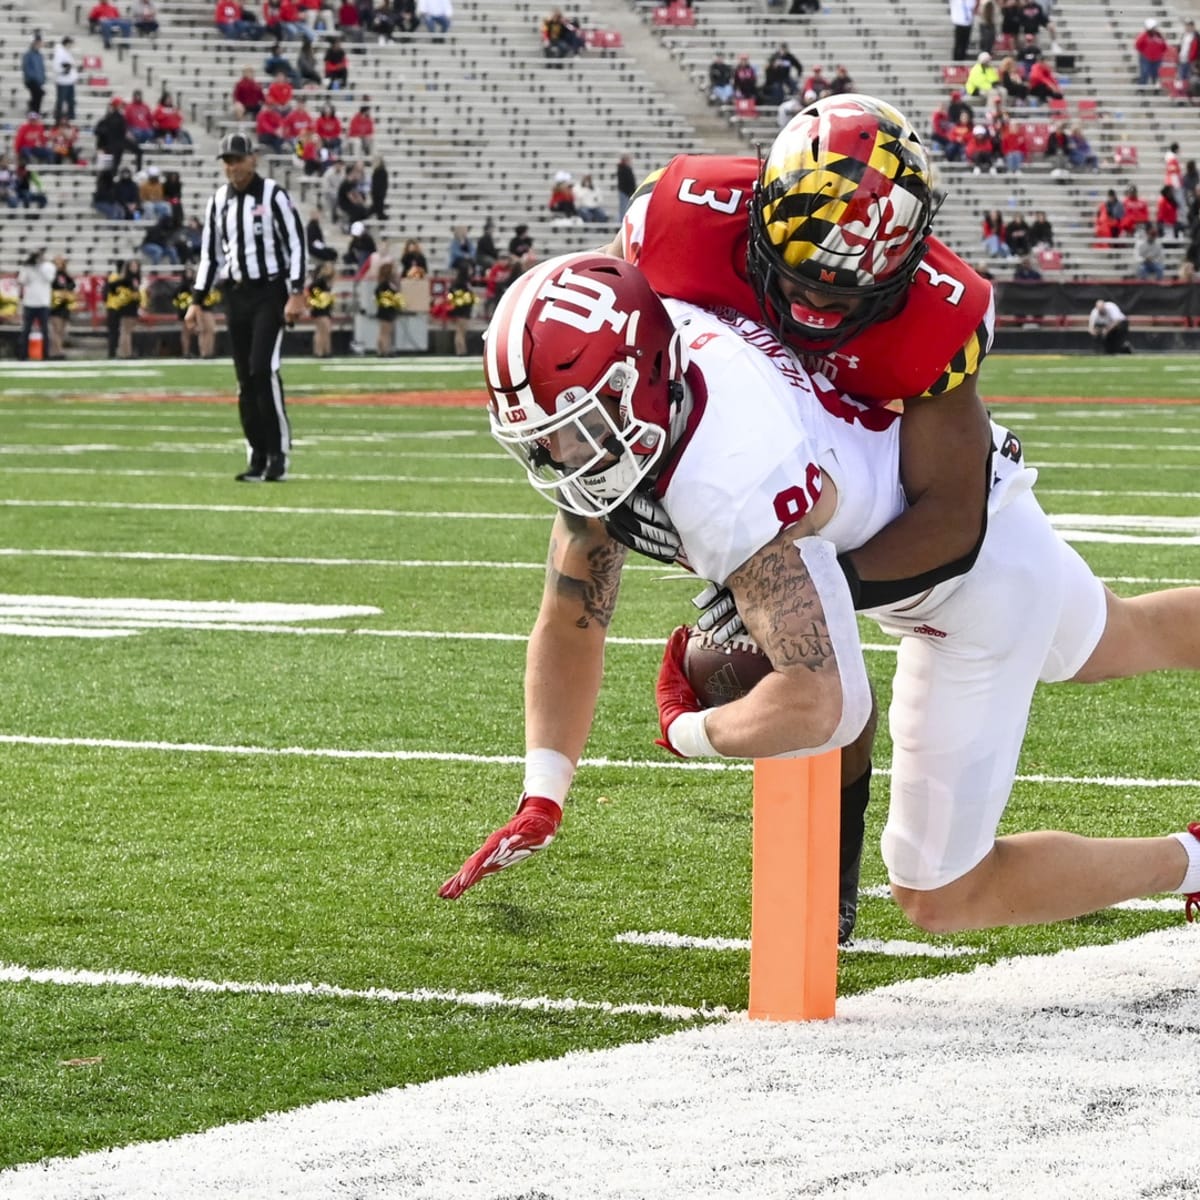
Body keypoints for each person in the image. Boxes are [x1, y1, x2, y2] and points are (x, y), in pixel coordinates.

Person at [439, 251, 1200, 942]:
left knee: (942, 892)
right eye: (541, 438)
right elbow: (572, 616)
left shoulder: (726, 480)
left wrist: (688, 731)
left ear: (636, 384)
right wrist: (544, 792)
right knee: (1124, 636)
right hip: (987, 512)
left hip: (967, 587)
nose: (556, 456)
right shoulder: (662, 340)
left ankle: (1189, 862)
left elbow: (824, 703)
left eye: (575, 432)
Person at [594, 94, 998, 941]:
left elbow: (955, 519)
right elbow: (606, 335)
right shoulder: (683, 216)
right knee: (755, 656)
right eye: (802, 273)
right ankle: (828, 896)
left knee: (1093, 646)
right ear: (758, 220)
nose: (818, 303)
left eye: (851, 287)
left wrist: (811, 592)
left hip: (928, 531)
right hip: (806, 478)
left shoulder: (935, 313)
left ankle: (833, 881)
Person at [188, 132, 306, 482]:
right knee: (243, 379)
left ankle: (277, 453)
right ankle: (256, 454)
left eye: (238, 159)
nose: (233, 167)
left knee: (262, 369)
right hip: (235, 295)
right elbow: (211, 255)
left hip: (269, 291)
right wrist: (197, 301)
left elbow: (297, 244)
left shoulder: (273, 196)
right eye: (227, 161)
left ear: (253, 158)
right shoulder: (218, 202)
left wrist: (297, 292)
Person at [16, 247, 54, 361]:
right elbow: (22, 281)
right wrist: (28, 267)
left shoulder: (48, 266)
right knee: (26, 330)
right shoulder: (27, 267)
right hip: (29, 303)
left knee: (45, 330)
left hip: (43, 303)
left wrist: (39, 267)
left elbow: (50, 279)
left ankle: (45, 355)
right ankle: (23, 355)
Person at [103, 259, 141, 358]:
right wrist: (118, 296)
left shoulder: (134, 278)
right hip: (120, 306)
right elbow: (111, 287)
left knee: (127, 330)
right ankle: (123, 352)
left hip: (130, 306)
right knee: (124, 330)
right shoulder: (122, 277)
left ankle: (124, 351)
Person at [374, 258, 404, 354]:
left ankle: (383, 350)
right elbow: (378, 294)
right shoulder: (384, 284)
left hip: (388, 309)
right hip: (385, 309)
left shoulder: (388, 283)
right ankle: (383, 350)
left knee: (386, 331)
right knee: (385, 331)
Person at [48, 254, 75, 359]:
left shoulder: (64, 274)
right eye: (57, 262)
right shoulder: (52, 274)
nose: (59, 264)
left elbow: (72, 284)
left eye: (61, 262)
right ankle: (57, 351)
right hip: (56, 304)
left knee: (62, 330)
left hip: (64, 304)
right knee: (56, 329)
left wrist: (66, 289)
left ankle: (57, 351)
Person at [307, 260, 336, 356]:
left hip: (324, 307)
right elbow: (311, 289)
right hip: (320, 307)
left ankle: (324, 350)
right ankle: (320, 351)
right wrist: (320, 298)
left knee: (323, 329)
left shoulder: (326, 280)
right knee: (322, 329)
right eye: (328, 268)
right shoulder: (320, 279)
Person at [445, 262, 474, 355]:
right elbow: (453, 294)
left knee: (461, 331)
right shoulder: (461, 283)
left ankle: (461, 350)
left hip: (464, 308)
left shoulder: (464, 282)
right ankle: (461, 351)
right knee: (460, 330)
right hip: (462, 309)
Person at [52, 36, 78, 123]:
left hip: (69, 81)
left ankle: (70, 117)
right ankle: (58, 118)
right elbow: (56, 67)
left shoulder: (66, 52)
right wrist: (65, 70)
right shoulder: (60, 53)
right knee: (61, 101)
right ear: (67, 43)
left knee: (71, 101)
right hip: (63, 81)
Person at [22, 33, 45, 116]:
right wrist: (33, 77)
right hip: (31, 80)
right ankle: (34, 111)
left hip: (38, 80)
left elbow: (42, 68)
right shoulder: (28, 54)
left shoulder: (39, 55)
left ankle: (33, 110)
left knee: (37, 95)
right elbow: (26, 67)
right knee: (39, 93)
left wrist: (42, 79)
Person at [616, 153, 636, 222]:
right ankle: (622, 223)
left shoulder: (625, 168)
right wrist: (630, 192)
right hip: (625, 192)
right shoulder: (622, 169)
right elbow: (625, 182)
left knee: (626, 208)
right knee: (624, 209)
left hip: (627, 192)